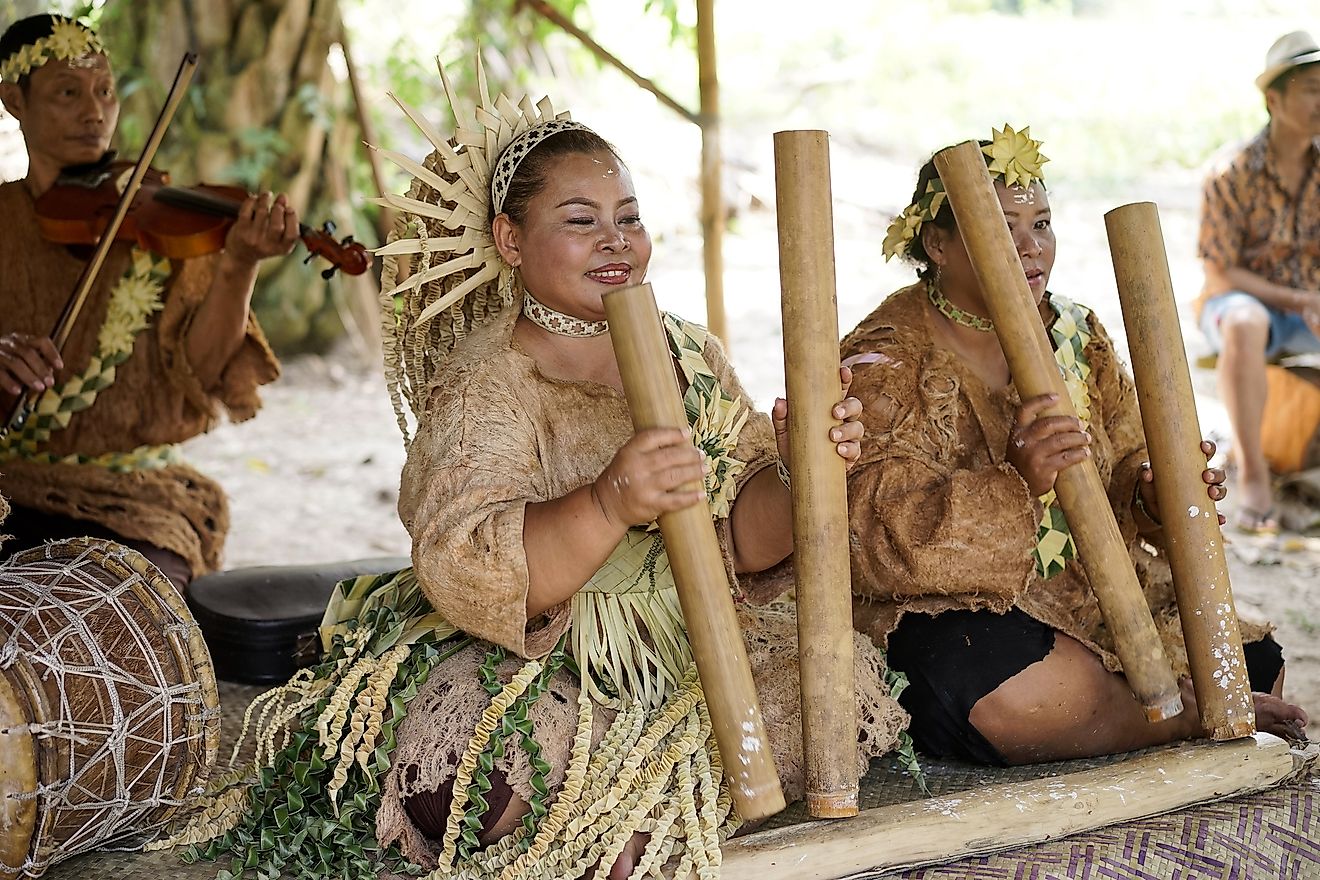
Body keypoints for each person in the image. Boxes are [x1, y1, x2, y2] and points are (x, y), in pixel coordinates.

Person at [170, 60, 907, 880]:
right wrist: (610, 500)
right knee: (475, 773)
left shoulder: (690, 352)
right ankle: (627, 823)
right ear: (509, 241)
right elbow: (471, 561)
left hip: (697, 640)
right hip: (539, 652)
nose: (617, 241)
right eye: (582, 219)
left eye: (629, 217)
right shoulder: (489, 381)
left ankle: (643, 814)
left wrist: (805, 470)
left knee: (828, 694)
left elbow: (743, 537)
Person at [842, 126, 1309, 768]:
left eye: (1042, 223)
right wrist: (1016, 483)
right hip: (962, 614)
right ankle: (1169, 720)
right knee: (979, 673)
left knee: (1254, 657)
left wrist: (1152, 491)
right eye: (1004, 227)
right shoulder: (885, 359)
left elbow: (1125, 458)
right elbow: (866, 537)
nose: (1031, 249)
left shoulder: (1074, 331)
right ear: (938, 244)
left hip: (1084, 597)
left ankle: (1139, 709)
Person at [0, 14, 296, 589]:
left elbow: (206, 374)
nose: (95, 112)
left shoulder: (159, 219)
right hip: (10, 486)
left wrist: (239, 264)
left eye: (105, 91)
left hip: (134, 498)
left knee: (120, 607)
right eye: (68, 92)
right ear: (14, 100)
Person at [1197, 30, 1320, 535]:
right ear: (1274, 99)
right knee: (1244, 320)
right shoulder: (1230, 172)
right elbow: (1220, 271)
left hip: (1311, 305)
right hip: (1242, 306)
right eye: (1312, 88)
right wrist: (1297, 298)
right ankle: (1252, 474)